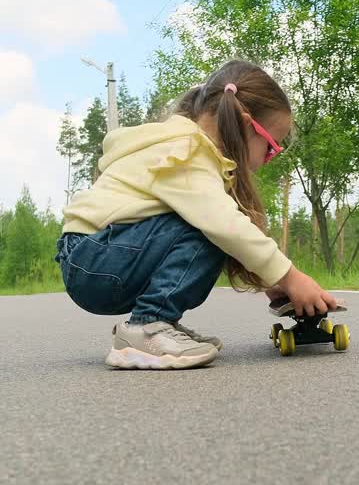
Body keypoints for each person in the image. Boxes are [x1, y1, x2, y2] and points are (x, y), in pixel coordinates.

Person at [54, 59, 339, 370]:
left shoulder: (185, 150)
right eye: (271, 147)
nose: (268, 159)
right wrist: (290, 275)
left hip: (96, 257)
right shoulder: (186, 152)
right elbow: (224, 225)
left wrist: (271, 281)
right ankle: (147, 326)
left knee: (212, 223)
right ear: (246, 125)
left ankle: (157, 323)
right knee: (212, 226)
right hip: (96, 260)